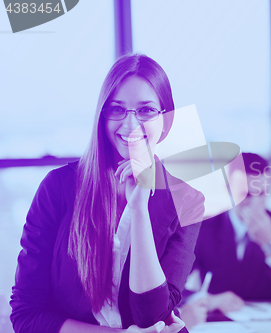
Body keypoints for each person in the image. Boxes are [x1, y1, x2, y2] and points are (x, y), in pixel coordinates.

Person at [10, 54, 205, 333]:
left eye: (147, 110)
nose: (130, 125)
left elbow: (154, 316)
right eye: (117, 109)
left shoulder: (187, 200)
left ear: (166, 120)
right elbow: (27, 315)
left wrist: (139, 210)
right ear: (102, 116)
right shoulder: (58, 188)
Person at [180, 153, 271, 328]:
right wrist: (209, 300)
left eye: (262, 193)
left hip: (269, 325)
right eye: (246, 194)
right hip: (219, 324)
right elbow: (172, 289)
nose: (255, 203)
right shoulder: (203, 228)